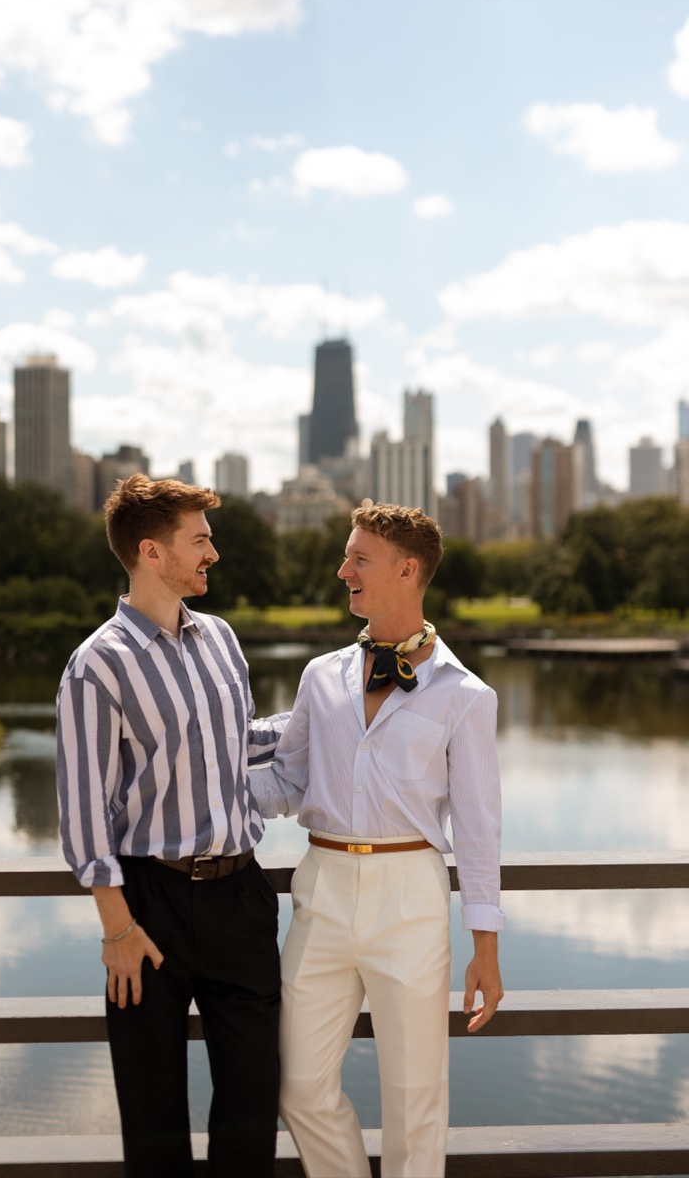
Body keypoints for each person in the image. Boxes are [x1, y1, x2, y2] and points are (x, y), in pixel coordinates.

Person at [250, 502, 504, 1178]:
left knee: (415, 1104)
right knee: (298, 1087)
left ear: (407, 569)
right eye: (347, 557)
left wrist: (485, 947)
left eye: (359, 559)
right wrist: (206, 794)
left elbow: (479, 826)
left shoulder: (465, 695)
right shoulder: (319, 676)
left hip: (410, 898)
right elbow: (287, 781)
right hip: (322, 891)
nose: (343, 571)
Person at [56, 475, 288, 1178]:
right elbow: (83, 810)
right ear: (151, 552)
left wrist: (337, 710)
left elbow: (239, 742)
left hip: (242, 900)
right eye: (200, 540)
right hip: (148, 911)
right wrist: (118, 930)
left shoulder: (220, 638)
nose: (213, 553)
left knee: (253, 1106)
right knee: (154, 1119)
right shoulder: (97, 665)